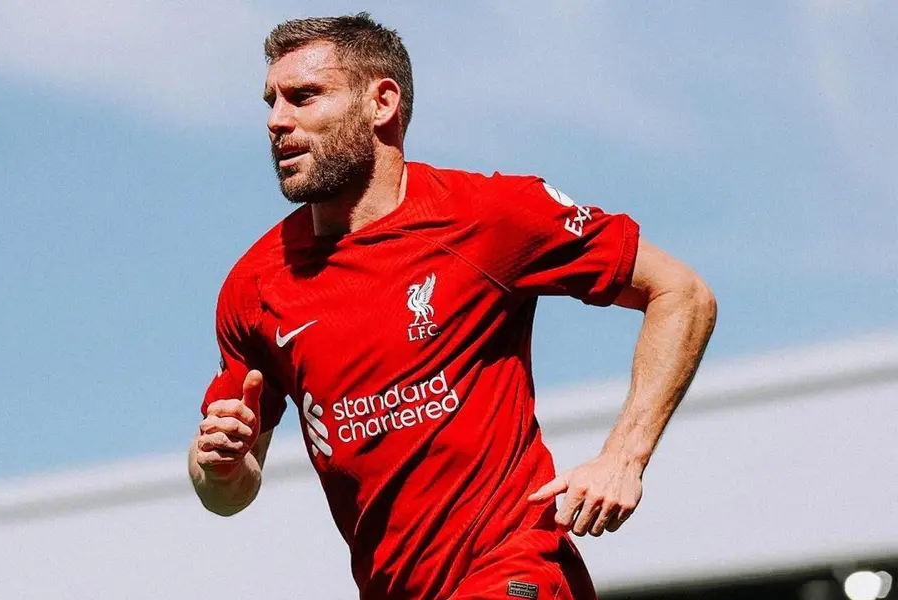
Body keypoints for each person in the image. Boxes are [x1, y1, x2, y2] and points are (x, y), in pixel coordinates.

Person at [187, 12, 717, 600]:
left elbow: (681, 293)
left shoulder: (491, 217)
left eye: (303, 97)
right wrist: (219, 465)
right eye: (271, 102)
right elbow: (226, 494)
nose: (276, 121)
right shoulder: (256, 283)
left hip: (518, 566)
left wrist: (624, 456)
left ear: (381, 102)